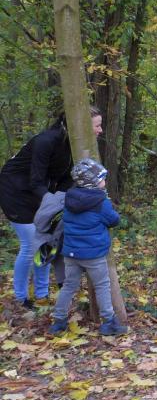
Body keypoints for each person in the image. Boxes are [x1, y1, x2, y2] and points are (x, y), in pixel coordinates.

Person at [0, 108, 102, 310]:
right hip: (14, 192)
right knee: (31, 244)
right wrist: (53, 203)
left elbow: (65, 179)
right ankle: (20, 299)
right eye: (97, 125)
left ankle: (42, 294)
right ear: (80, 124)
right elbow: (36, 180)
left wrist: (69, 201)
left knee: (46, 241)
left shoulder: (73, 144)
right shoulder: (46, 141)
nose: (100, 130)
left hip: (39, 194)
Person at [49, 158, 127, 336]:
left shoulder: (70, 198)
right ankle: (108, 322)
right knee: (102, 285)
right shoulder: (100, 202)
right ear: (92, 183)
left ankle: (59, 321)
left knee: (69, 286)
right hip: (93, 255)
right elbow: (114, 220)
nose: (104, 181)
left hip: (71, 253)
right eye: (101, 178)